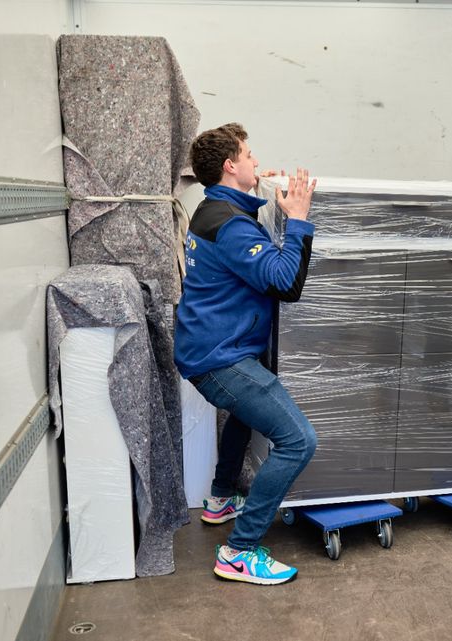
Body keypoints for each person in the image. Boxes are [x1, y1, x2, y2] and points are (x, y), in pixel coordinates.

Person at [174, 122, 318, 586]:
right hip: (222, 359)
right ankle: (240, 551)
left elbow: (238, 237)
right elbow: (283, 283)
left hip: (210, 349)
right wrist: (297, 219)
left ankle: (220, 499)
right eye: (250, 156)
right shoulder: (231, 226)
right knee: (298, 440)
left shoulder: (210, 209)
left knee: (246, 414)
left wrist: (258, 190)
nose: (257, 161)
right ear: (230, 166)